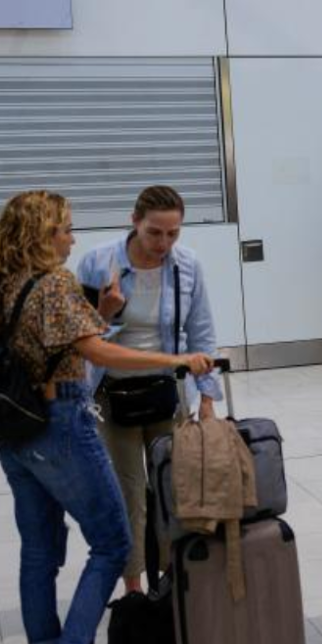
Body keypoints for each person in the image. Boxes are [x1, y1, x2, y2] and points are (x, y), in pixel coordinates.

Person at [0, 191, 213, 644]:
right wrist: (175, 360)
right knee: (111, 538)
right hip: (60, 422)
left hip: (16, 433)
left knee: (39, 550)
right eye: (63, 228)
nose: (72, 237)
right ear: (41, 235)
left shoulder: (0, 286)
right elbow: (93, 351)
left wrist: (101, 313)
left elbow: (59, 341)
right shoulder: (54, 281)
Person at [76, 186, 222, 594]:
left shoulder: (186, 266)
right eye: (154, 233)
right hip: (111, 395)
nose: (164, 243)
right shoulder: (96, 263)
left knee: (173, 488)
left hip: (166, 392)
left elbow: (201, 333)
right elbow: (79, 337)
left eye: (173, 233)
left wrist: (207, 397)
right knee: (128, 495)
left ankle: (172, 579)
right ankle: (134, 590)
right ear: (134, 221)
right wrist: (104, 314)